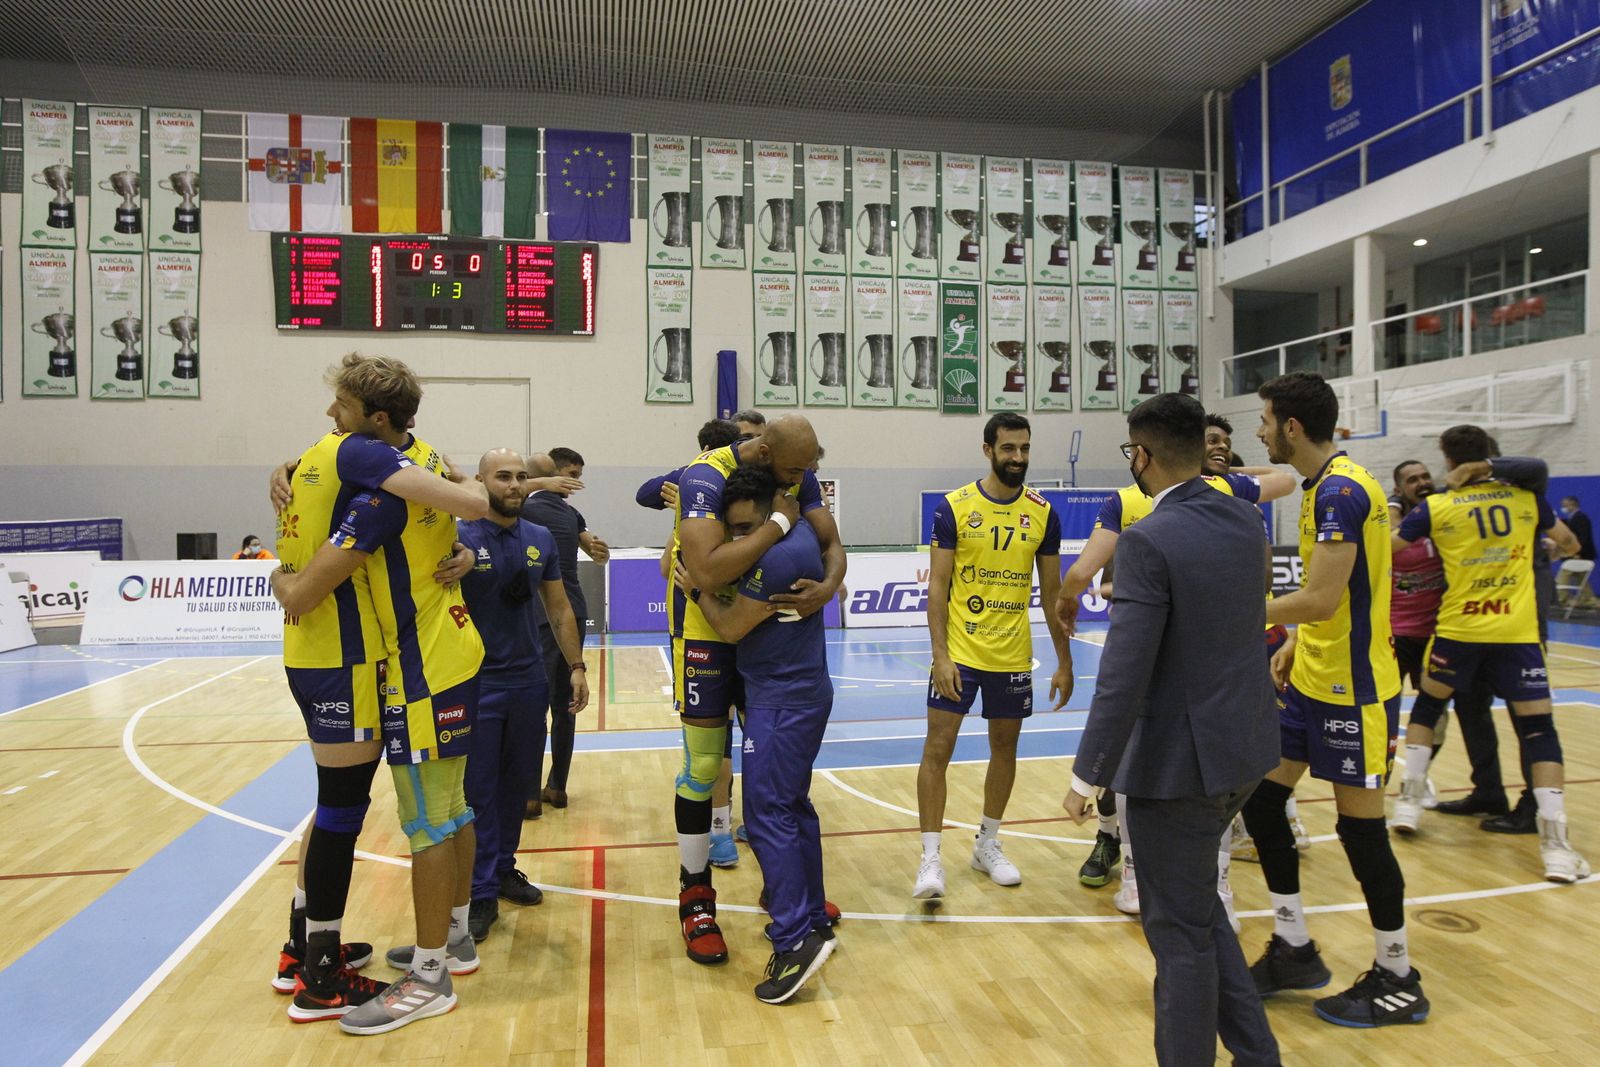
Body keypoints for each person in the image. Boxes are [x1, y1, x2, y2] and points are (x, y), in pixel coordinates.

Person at [266, 353, 487, 1021]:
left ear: (378, 421)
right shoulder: (397, 459)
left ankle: (396, 970)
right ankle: (437, 941)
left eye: (342, 406)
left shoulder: (378, 489)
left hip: (403, 663)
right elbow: (469, 490)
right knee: (434, 808)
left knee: (412, 815)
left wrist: (275, 579)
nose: (330, 418)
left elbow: (303, 591)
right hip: (438, 651)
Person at [1064, 392, 1282, 1067]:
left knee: (1178, 936)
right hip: (1246, 750)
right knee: (1200, 911)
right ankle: (1258, 1054)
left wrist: (1085, 772)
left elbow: (1124, 674)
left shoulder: (1148, 540)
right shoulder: (1248, 522)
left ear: (1142, 455)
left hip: (1177, 768)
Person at [1244, 371, 1429, 1028]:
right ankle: (1293, 945)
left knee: (1361, 831)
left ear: (1291, 426)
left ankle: (1399, 974)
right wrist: (1293, 638)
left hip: (1354, 694)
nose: (1259, 429)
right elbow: (1334, 597)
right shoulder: (1324, 485)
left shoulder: (1341, 492)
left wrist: (1241, 610)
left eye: (1265, 419)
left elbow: (1322, 595)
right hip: (1311, 680)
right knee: (1263, 802)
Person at [1057, 412, 1298, 912]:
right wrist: (1078, 591)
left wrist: (1070, 597)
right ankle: (1146, 872)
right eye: (1210, 441)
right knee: (1181, 796)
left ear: (1142, 453)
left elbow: (1118, 674)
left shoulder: (1220, 495)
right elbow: (1287, 478)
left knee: (1147, 765)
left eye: (1223, 444)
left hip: (1188, 698)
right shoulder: (1237, 508)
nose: (1220, 448)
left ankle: (1163, 877)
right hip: (1241, 719)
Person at [669, 414, 845, 964]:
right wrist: (773, 523)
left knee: (776, 781)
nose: (806, 477)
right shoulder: (704, 477)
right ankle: (696, 898)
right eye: (796, 468)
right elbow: (704, 569)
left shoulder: (797, 475)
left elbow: (833, 543)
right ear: (765, 454)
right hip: (707, 630)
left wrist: (828, 590)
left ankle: (788, 891)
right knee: (704, 769)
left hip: (752, 629)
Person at [1391, 425, 1588, 883]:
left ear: (1447, 459)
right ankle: (1556, 848)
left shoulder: (1438, 506)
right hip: (1516, 633)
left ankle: (1408, 805)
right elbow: (1571, 545)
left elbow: (1387, 548)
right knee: (1539, 730)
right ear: (1488, 455)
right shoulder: (1526, 500)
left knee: (1428, 705)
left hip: (1459, 628)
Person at [914, 413, 1072, 900]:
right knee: (937, 749)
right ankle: (930, 858)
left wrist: (1065, 663)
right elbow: (937, 589)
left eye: (1024, 449)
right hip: (960, 653)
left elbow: (1052, 595)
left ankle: (987, 843)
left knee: (1005, 750)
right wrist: (941, 657)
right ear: (988, 450)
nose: (1018, 458)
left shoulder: (1043, 512)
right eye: (1009, 449)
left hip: (1011, 656)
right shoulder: (954, 507)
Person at [454, 449, 588, 942]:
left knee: (517, 788)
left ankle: (504, 868)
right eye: (503, 477)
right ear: (482, 481)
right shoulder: (458, 535)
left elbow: (559, 608)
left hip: (529, 682)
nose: (514, 485)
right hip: (477, 684)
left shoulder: (539, 538)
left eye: (521, 478)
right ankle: (480, 888)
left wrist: (576, 666)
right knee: (480, 791)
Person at [636, 417, 746, 864]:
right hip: (701, 624)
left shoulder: (735, 494)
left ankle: (737, 824)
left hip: (740, 620)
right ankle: (718, 828)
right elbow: (667, 565)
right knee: (715, 747)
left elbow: (645, 494)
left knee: (740, 744)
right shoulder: (697, 487)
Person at [1389, 460, 1508, 817]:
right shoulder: (1392, 524)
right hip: (1395, 633)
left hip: (1443, 633)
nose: (1422, 482)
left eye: (1426, 476)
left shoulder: (1447, 514)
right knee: (1380, 713)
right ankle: (1376, 778)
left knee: (1440, 715)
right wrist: (1393, 508)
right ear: (1400, 489)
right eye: (1413, 480)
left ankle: (1419, 777)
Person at [522, 447, 608, 817]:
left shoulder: (524, 506)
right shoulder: (569, 512)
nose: (574, 482)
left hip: (543, 611)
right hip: (574, 608)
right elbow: (592, 545)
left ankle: (527, 793)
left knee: (533, 707)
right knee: (565, 705)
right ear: (554, 476)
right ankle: (558, 786)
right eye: (570, 474)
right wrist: (594, 546)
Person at [1560, 496, 1595, 561]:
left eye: (1564, 505)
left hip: (1582, 555)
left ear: (1572, 504)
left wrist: (1577, 553)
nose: (1563, 508)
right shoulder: (1573, 518)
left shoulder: (1580, 518)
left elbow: (1582, 538)